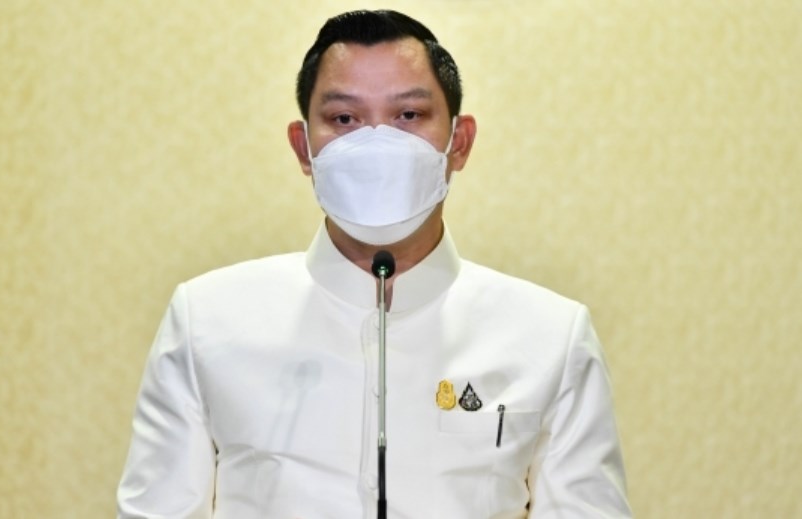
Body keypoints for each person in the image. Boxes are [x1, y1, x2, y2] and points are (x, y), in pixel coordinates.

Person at [117, 9, 632, 519]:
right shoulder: (207, 320)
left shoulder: (551, 335)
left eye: (409, 115)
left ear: (459, 143)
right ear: (304, 148)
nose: (378, 143)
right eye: (345, 119)